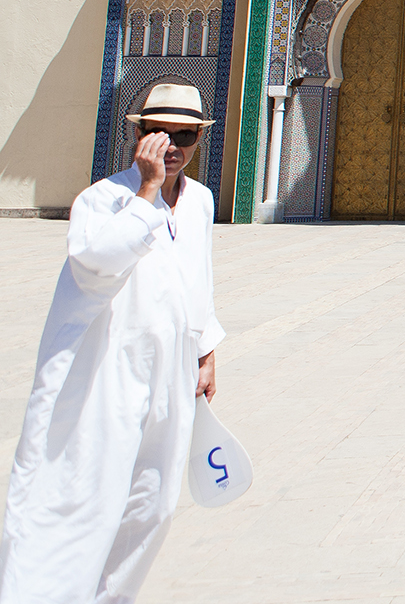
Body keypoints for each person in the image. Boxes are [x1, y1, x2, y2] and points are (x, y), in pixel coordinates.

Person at [1, 82, 224, 604]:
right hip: (103, 372)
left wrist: (207, 350)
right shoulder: (102, 199)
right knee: (80, 495)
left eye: (185, 134)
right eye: (159, 132)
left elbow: (198, 278)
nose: (172, 146)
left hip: (170, 371)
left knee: (154, 502)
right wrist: (146, 194)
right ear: (138, 133)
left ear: (199, 139)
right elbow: (96, 263)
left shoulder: (201, 201)